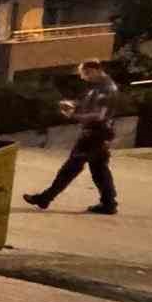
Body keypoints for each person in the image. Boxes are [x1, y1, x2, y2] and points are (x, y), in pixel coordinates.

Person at [23, 60, 119, 215]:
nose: (83, 77)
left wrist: (74, 115)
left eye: (85, 73)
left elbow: (99, 115)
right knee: (99, 170)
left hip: (94, 135)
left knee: (71, 168)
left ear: (94, 70)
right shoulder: (100, 87)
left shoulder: (106, 89)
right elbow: (91, 106)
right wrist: (73, 105)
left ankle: (45, 198)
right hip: (98, 134)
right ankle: (109, 203)